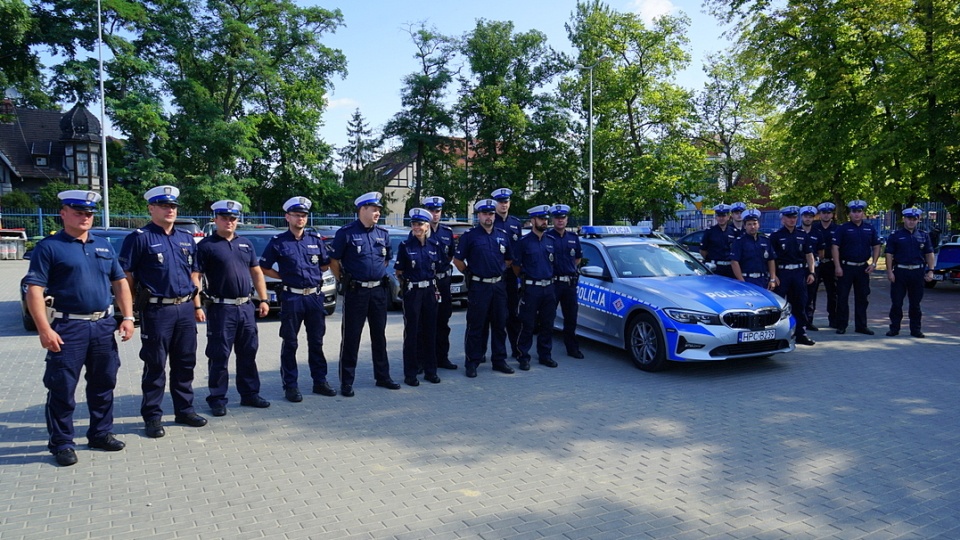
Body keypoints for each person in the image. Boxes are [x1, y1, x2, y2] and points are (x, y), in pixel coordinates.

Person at [24, 190, 135, 466]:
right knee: (62, 387)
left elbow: (120, 283)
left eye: (89, 213)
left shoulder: (104, 245)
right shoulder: (49, 247)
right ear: (63, 213)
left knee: (103, 383)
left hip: (102, 326)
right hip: (68, 327)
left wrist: (128, 317)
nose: (85, 217)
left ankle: (100, 433)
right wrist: (43, 329)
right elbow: (34, 290)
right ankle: (62, 443)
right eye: (78, 212)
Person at [119, 185, 207, 438]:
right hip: (157, 310)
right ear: (151, 208)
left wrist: (197, 304)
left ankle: (184, 410)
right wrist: (131, 310)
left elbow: (194, 273)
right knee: (155, 364)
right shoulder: (139, 238)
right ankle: (153, 416)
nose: (170, 210)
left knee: (185, 362)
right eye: (164, 206)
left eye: (173, 206)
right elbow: (125, 276)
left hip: (185, 309)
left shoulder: (185, 238)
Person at [194, 200, 271, 417]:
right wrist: (197, 304)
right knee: (219, 355)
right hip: (221, 308)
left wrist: (263, 299)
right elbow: (196, 277)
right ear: (216, 219)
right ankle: (217, 398)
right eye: (225, 218)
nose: (229, 222)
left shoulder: (245, 243)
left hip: (245, 307)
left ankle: (250, 394)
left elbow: (256, 272)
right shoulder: (206, 246)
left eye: (233, 218)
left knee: (248, 352)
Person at [259, 196, 337, 402]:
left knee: (317, 342)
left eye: (304, 215)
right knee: (290, 342)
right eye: (296, 215)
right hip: (292, 297)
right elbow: (265, 267)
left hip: (314, 297)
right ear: (287, 217)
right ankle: (291, 386)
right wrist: (283, 277)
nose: (301, 219)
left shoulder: (315, 241)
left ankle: (320, 381)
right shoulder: (278, 242)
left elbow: (324, 265)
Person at [329, 191, 399, 396]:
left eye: (379, 210)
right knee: (351, 337)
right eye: (374, 209)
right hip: (356, 292)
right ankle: (347, 382)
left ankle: (383, 377)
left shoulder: (383, 234)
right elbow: (334, 260)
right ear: (362, 209)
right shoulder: (347, 233)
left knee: (379, 336)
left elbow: (385, 260)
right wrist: (343, 279)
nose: (377, 213)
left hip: (378, 291)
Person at [453, 199, 515, 378]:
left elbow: (509, 259)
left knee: (499, 325)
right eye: (485, 214)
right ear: (478, 215)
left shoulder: (502, 235)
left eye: (491, 214)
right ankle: (472, 362)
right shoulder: (470, 236)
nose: (489, 217)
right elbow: (458, 260)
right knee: (476, 326)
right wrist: (469, 273)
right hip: (479, 287)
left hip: (498, 286)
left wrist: (499, 270)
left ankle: (499, 360)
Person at [395, 208, 442, 386]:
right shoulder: (405, 246)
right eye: (414, 224)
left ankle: (431, 370)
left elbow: (439, 267)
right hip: (413, 292)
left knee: (431, 331)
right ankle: (411, 373)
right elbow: (399, 271)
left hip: (429, 292)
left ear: (427, 225)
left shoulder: (434, 246)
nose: (417, 227)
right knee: (412, 333)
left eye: (420, 224)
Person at [512, 205, 559, 370]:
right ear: (533, 221)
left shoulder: (551, 241)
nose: (544, 222)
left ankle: (545, 355)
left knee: (547, 324)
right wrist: (527, 280)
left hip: (549, 288)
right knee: (528, 324)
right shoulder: (524, 243)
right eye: (541, 219)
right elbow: (516, 266)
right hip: (531, 289)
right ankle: (523, 356)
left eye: (546, 219)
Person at [831, 199, 882, 335]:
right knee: (842, 297)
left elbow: (876, 245)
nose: (857, 214)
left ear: (863, 213)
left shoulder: (869, 228)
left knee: (862, 297)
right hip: (846, 267)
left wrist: (874, 263)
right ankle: (841, 325)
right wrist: (837, 266)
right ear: (850, 213)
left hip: (862, 269)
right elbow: (835, 247)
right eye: (854, 212)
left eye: (859, 211)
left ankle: (861, 326)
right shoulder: (843, 228)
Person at [884, 207, 936, 338]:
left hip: (917, 273)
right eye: (909, 219)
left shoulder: (924, 235)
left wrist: (931, 270)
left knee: (915, 304)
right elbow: (889, 254)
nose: (911, 222)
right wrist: (889, 271)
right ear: (904, 219)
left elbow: (929, 253)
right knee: (897, 303)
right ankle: (894, 328)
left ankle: (916, 330)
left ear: (918, 220)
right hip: (900, 272)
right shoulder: (896, 235)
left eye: (914, 219)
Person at [769, 206, 817, 346]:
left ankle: (801, 333)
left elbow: (809, 255)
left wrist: (812, 272)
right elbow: (771, 259)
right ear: (783, 219)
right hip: (782, 274)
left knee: (800, 304)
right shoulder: (776, 236)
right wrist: (773, 276)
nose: (792, 220)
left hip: (799, 273)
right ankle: (776, 334)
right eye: (789, 217)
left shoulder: (802, 235)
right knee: (779, 306)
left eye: (794, 217)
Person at [422, 195, 458, 370]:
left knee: (443, 322)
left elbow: (450, 255)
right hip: (427, 283)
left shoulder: (447, 232)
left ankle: (442, 357)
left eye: (437, 211)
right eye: (431, 211)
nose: (435, 214)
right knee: (425, 322)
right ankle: (422, 360)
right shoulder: (420, 231)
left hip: (443, 283)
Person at [545, 204, 583, 359]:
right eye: (557, 218)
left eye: (563, 218)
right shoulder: (547, 237)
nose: (560, 221)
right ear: (553, 219)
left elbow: (578, 259)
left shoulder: (573, 238)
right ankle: (546, 351)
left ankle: (572, 348)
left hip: (569, 284)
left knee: (571, 318)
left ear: (567, 219)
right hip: (553, 283)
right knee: (548, 317)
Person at [491, 187, 524, 359]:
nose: (503, 205)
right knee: (494, 315)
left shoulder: (515, 223)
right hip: (495, 275)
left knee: (513, 314)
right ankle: (488, 352)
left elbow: (517, 250)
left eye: (506, 202)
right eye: (500, 202)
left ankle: (516, 349)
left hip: (511, 275)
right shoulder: (490, 220)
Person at [730, 209, 778, 290]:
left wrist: (772, 279)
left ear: (758, 225)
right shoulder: (739, 242)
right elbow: (734, 262)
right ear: (744, 226)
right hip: (747, 279)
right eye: (749, 224)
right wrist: (741, 281)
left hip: (763, 280)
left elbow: (771, 260)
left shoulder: (765, 240)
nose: (752, 227)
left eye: (754, 224)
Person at [810, 202, 840, 329]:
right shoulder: (813, 227)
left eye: (828, 213)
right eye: (823, 213)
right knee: (811, 293)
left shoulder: (838, 229)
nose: (826, 215)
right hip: (816, 264)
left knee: (833, 293)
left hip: (831, 263)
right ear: (820, 214)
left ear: (832, 215)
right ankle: (809, 320)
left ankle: (833, 320)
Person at [798, 205, 823, 331]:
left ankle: (809, 321)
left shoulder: (817, 233)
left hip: (812, 269)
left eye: (810, 217)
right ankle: (798, 321)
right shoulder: (796, 231)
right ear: (801, 217)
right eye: (806, 216)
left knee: (811, 295)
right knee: (798, 295)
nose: (808, 219)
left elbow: (821, 252)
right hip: (799, 268)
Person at [699, 203, 739, 278]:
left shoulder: (734, 232)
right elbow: (703, 250)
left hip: (730, 268)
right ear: (716, 217)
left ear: (728, 217)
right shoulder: (710, 231)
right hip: (715, 267)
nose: (721, 218)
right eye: (719, 216)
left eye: (723, 216)